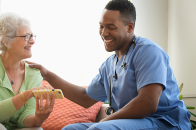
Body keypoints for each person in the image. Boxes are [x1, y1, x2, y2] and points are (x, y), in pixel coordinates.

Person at [26, 0, 191, 130]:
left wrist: (105, 122)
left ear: (130, 27)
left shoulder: (148, 51)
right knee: (71, 129)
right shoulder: (109, 65)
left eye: (111, 27)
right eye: (101, 26)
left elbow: (147, 103)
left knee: (100, 129)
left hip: (165, 122)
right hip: (133, 123)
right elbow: (85, 98)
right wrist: (47, 74)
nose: (104, 33)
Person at [0, 13, 55, 130]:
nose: (32, 41)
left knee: (37, 129)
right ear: (6, 41)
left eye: (32, 36)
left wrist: (38, 119)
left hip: (11, 127)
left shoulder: (34, 74)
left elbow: (25, 118)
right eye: (26, 36)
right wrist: (26, 95)